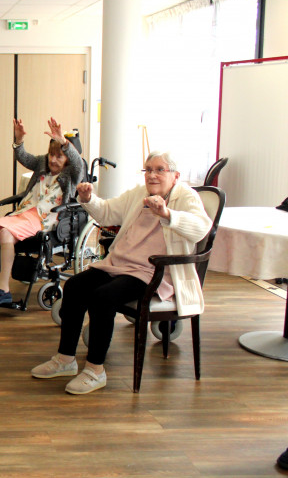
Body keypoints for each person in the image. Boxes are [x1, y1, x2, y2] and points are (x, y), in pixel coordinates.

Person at [30, 151, 212, 395]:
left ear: (176, 176)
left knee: (103, 297)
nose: (153, 175)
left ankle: (95, 370)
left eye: (160, 170)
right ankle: (65, 360)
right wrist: (88, 198)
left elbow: (201, 229)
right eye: (148, 169)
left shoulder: (186, 196)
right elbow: (106, 212)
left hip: (153, 272)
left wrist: (167, 214)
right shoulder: (139, 193)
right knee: (74, 286)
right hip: (120, 263)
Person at [0, 117, 84, 307]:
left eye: (59, 156)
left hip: (43, 218)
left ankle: (3, 289)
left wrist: (64, 142)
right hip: (24, 212)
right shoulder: (43, 163)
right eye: (51, 155)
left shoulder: (72, 175)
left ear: (67, 158)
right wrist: (18, 141)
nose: (52, 159)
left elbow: (79, 164)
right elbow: (24, 157)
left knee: (5, 233)